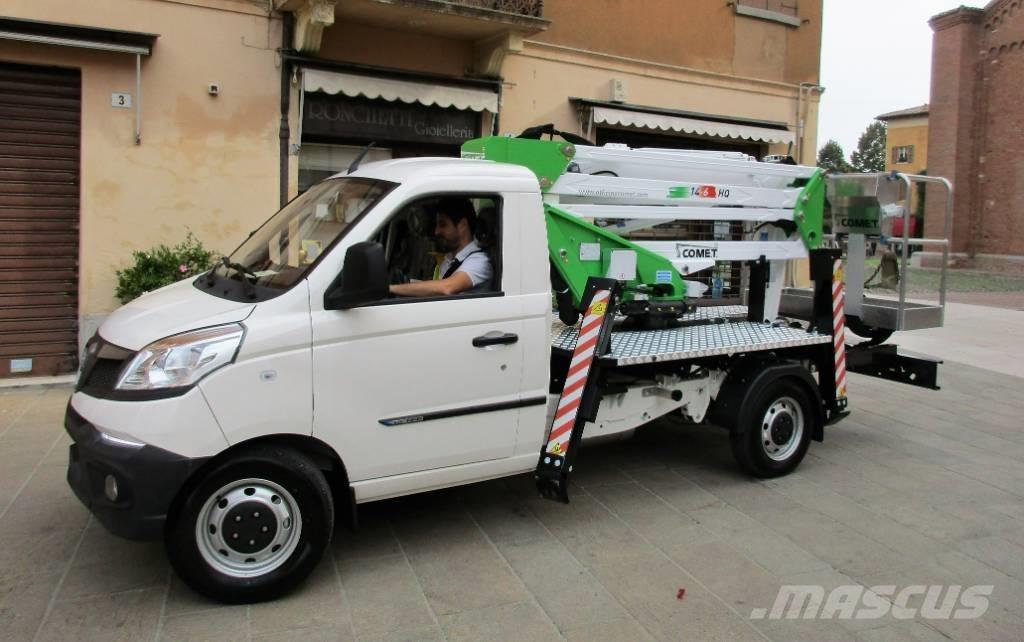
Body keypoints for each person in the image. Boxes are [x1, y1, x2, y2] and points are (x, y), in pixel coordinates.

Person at [389, 197, 493, 297]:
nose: (436, 231)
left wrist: (390, 289)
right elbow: (436, 287)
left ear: (462, 225)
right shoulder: (449, 258)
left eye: (443, 225)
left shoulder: (479, 262)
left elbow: (447, 287)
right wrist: (405, 283)